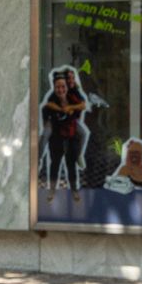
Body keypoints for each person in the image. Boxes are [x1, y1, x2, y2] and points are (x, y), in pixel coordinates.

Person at [39, 66, 93, 205]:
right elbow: (46, 111)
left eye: (63, 86)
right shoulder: (51, 100)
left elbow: (82, 106)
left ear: (67, 87)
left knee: (71, 165)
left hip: (71, 136)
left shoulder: (73, 96)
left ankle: (74, 190)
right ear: (54, 87)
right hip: (56, 138)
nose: (61, 90)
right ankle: (51, 190)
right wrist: (59, 110)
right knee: (54, 165)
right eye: (58, 87)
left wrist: (70, 108)